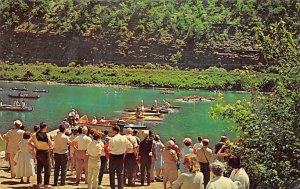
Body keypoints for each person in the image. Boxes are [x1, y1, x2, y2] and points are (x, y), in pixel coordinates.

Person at [28, 122, 53, 189]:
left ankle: (39, 183)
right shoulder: (47, 134)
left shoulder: (34, 135)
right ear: (45, 127)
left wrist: (34, 147)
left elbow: (28, 142)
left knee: (39, 168)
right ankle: (46, 184)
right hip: (45, 151)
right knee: (47, 168)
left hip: (38, 151)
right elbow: (50, 143)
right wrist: (50, 148)